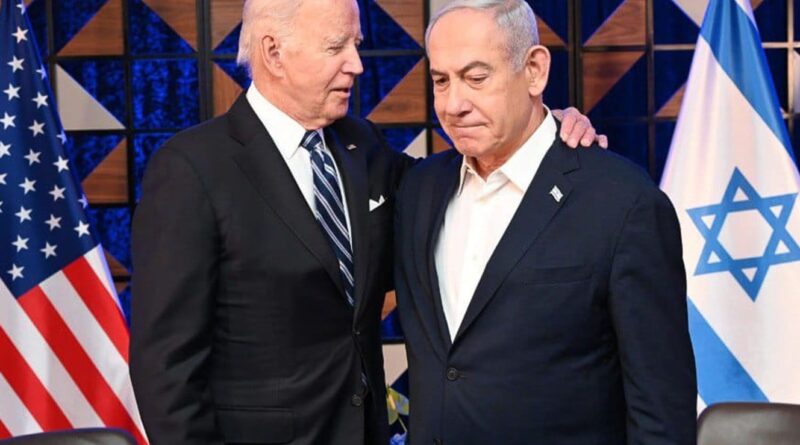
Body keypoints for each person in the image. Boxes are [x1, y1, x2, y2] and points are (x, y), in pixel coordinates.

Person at [129, 0, 600, 444]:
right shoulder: (192, 169)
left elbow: (457, 189)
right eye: (336, 47)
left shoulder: (360, 143)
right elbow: (166, 367)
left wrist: (538, 126)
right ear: (273, 53)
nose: (356, 64)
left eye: (355, 45)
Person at [393, 1, 698, 444]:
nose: (454, 104)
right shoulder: (418, 189)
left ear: (534, 71)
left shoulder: (622, 203)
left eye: (476, 78)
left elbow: (661, 409)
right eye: (441, 81)